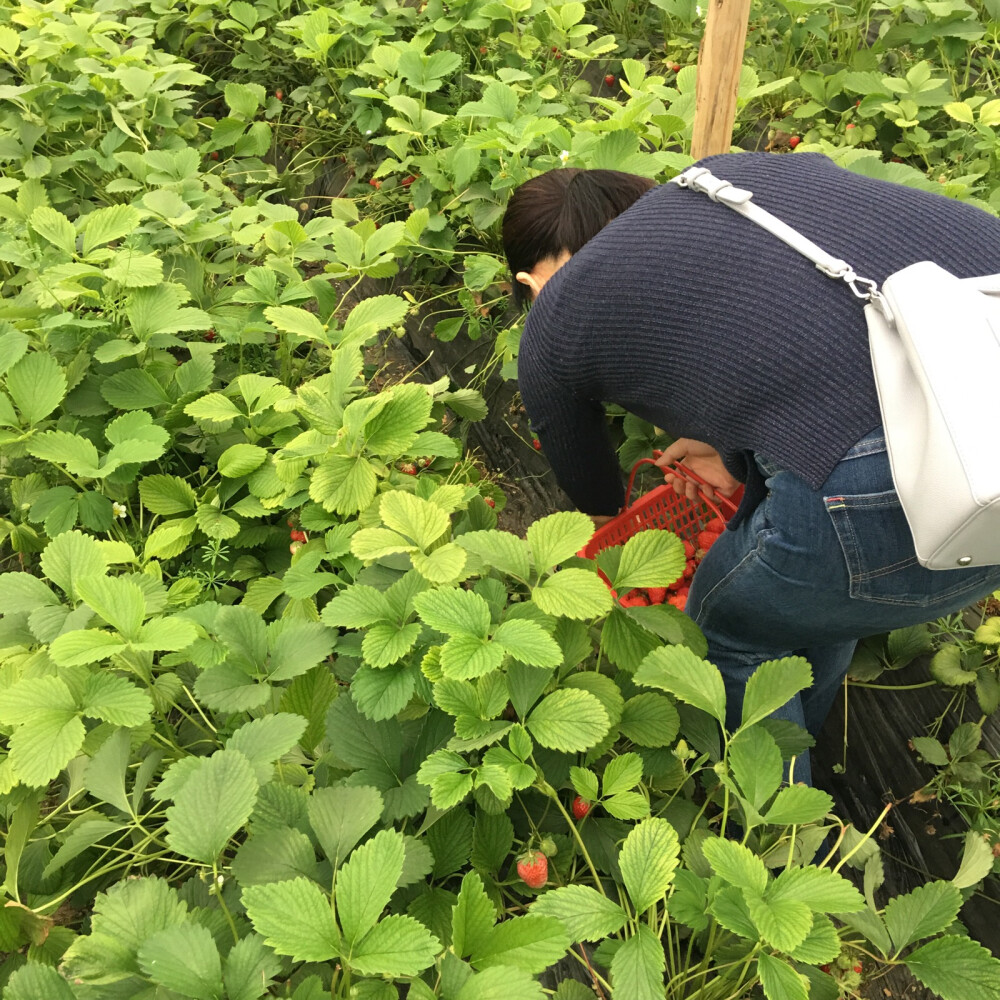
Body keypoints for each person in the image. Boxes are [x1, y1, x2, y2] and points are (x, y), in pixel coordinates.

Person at [502, 151, 1000, 782]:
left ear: (529, 283)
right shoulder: (731, 180)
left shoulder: (555, 314)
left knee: (725, 625)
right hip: (982, 379)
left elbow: (599, 508)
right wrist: (736, 452)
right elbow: (813, 334)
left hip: (919, 478)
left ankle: (778, 829)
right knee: (817, 601)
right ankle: (801, 743)